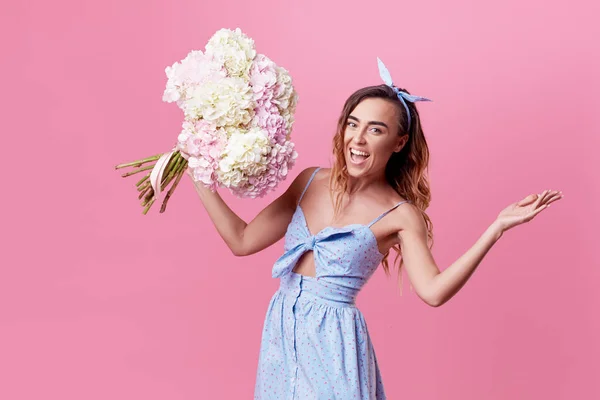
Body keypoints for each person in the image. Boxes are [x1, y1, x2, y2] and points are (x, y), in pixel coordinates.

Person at [187, 59, 563, 399]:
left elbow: (432, 292)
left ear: (399, 142)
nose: (358, 139)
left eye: (375, 129)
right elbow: (241, 240)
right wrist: (197, 169)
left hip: (334, 344)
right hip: (282, 332)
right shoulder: (310, 181)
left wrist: (495, 229)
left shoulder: (400, 215)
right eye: (353, 124)